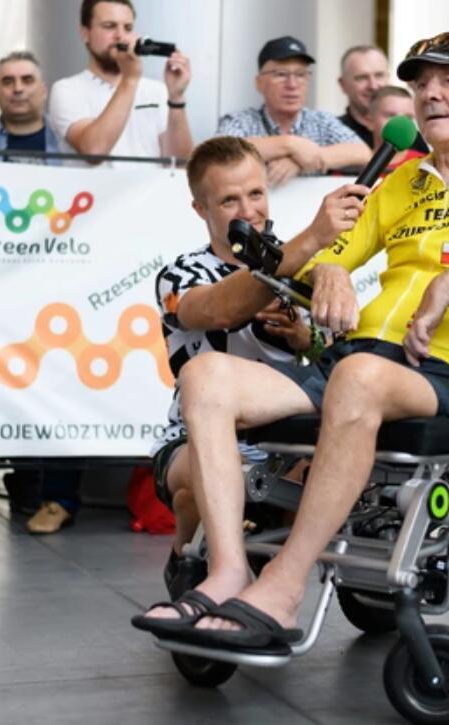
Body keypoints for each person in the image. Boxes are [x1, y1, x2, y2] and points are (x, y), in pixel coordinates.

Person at [132, 33, 449, 647]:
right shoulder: (399, 184)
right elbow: (327, 255)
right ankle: (229, 571)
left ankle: (285, 586)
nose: (430, 93)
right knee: (204, 376)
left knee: (357, 376)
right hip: (356, 361)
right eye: (421, 83)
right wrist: (332, 271)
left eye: (448, 80)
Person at [153, 135, 367, 596]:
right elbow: (218, 309)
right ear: (200, 209)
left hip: (287, 442)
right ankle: (187, 557)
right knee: (200, 483)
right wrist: (311, 244)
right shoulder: (180, 274)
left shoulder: (310, 266)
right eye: (229, 200)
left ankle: (270, 582)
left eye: (255, 193)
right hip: (194, 439)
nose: (248, 210)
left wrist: (304, 337)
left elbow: (333, 358)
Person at [48, 0, 193, 163]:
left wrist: (176, 98)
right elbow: (94, 152)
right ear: (85, 33)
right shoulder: (67, 89)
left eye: (128, 28)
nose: (120, 36)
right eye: (109, 26)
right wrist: (130, 79)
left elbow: (180, 163)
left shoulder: (157, 90)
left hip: (150, 181)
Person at [217, 36, 371, 186]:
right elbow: (218, 153)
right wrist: (289, 145)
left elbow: (364, 154)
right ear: (259, 83)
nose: (292, 84)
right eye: (280, 74)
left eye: (300, 75)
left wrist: (303, 160)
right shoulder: (240, 121)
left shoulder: (321, 121)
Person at [0, 50, 60, 161]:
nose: (18, 89)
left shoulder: (66, 140)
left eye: (27, 80)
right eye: (8, 82)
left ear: (44, 91)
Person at [336, 45, 389, 147]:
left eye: (379, 75)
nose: (373, 86)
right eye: (362, 78)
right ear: (343, 84)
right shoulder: (330, 134)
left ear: (388, 78)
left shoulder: (408, 137)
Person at [365, 85, 426, 170]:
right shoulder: (356, 163)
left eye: (408, 117)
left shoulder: (424, 165)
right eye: (391, 115)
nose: (400, 124)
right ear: (369, 121)